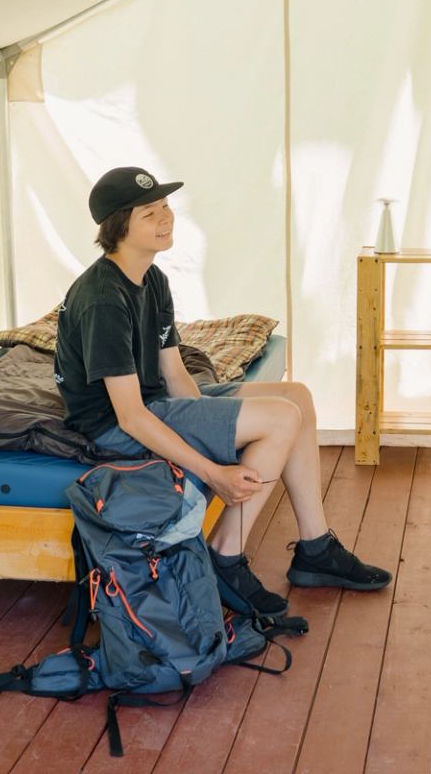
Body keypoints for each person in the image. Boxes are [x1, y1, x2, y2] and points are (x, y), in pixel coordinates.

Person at [54, 165, 390, 617]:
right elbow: (131, 417)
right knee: (279, 418)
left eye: (166, 207)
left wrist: (214, 424)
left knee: (297, 398)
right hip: (116, 425)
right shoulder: (103, 299)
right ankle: (224, 556)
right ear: (118, 227)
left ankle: (316, 549)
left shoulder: (152, 280)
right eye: (150, 213)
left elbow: (173, 373)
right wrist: (213, 470)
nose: (166, 218)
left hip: (157, 404)